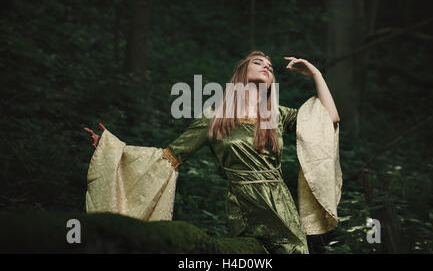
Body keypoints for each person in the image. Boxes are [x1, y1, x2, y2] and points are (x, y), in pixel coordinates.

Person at [84, 51, 340, 254]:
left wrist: (315, 73)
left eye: (271, 67)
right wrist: (113, 149)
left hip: (280, 202)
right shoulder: (214, 117)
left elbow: (330, 118)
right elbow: (170, 155)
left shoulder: (277, 115)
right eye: (259, 62)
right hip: (243, 203)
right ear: (242, 72)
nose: (267, 67)